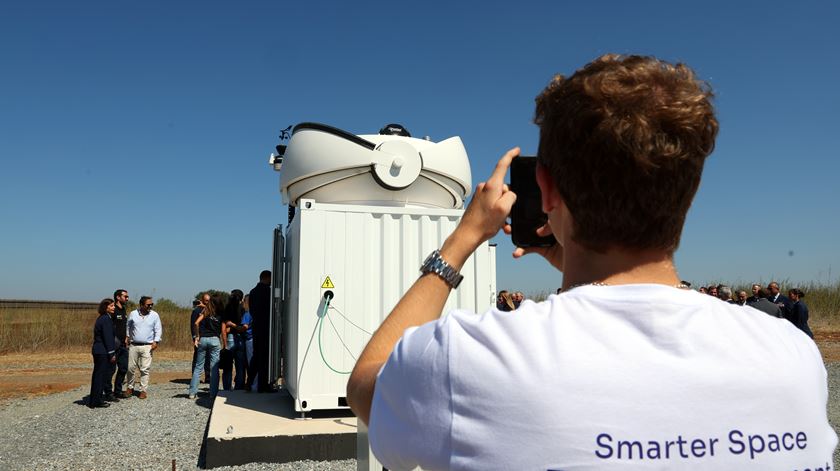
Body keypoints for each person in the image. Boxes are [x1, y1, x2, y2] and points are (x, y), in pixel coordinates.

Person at [346, 54, 837, 469]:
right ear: (690, 189)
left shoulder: (469, 360)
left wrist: (462, 241)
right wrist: (581, 272)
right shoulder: (791, 357)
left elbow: (368, 384)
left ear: (546, 188)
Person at [125, 296, 162, 399]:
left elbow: (158, 329)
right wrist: (127, 336)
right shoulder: (133, 314)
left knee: (144, 369)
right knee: (130, 368)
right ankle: (130, 387)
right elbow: (128, 326)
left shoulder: (154, 315)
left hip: (147, 346)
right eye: (148, 304)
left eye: (151, 304)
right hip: (134, 345)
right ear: (141, 305)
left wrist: (156, 341)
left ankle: (143, 390)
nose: (150, 306)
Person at [189, 294, 224, 399]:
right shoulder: (221, 314)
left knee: (198, 367)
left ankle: (192, 392)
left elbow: (196, 323)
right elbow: (223, 330)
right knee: (214, 367)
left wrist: (197, 336)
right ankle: (213, 394)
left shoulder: (205, 312)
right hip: (215, 340)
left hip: (203, 339)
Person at [247, 270, 272, 393]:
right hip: (266, 328)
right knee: (264, 358)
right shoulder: (268, 291)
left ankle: (249, 383)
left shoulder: (252, 292)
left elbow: (251, 310)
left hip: (256, 328)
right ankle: (263, 386)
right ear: (267, 278)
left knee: (256, 357)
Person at [89, 298, 117, 409]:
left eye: (113, 305)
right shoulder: (105, 319)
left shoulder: (104, 318)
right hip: (102, 351)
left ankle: (95, 399)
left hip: (100, 351)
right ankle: (96, 401)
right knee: (100, 376)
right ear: (105, 308)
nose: (113, 307)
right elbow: (108, 338)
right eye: (111, 306)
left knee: (98, 376)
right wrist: (112, 353)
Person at [221, 289, 246, 390]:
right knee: (240, 366)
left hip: (230, 337)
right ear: (241, 298)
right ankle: (239, 387)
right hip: (240, 338)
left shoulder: (227, 309)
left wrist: (224, 344)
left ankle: (227, 387)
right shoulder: (243, 309)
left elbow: (223, 328)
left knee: (227, 366)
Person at [106, 289, 129, 400]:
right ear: (118, 297)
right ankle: (108, 393)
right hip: (114, 345)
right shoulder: (113, 310)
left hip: (123, 345)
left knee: (123, 368)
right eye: (125, 296)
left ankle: (118, 391)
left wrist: (126, 338)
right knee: (111, 370)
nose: (127, 298)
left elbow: (123, 326)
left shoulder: (123, 309)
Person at [191, 293, 212, 383]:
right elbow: (193, 325)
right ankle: (195, 377)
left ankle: (208, 376)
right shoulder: (197, 311)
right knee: (197, 357)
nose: (208, 302)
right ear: (202, 300)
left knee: (208, 358)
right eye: (206, 301)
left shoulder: (210, 311)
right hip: (199, 338)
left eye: (209, 301)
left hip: (208, 337)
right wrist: (195, 337)